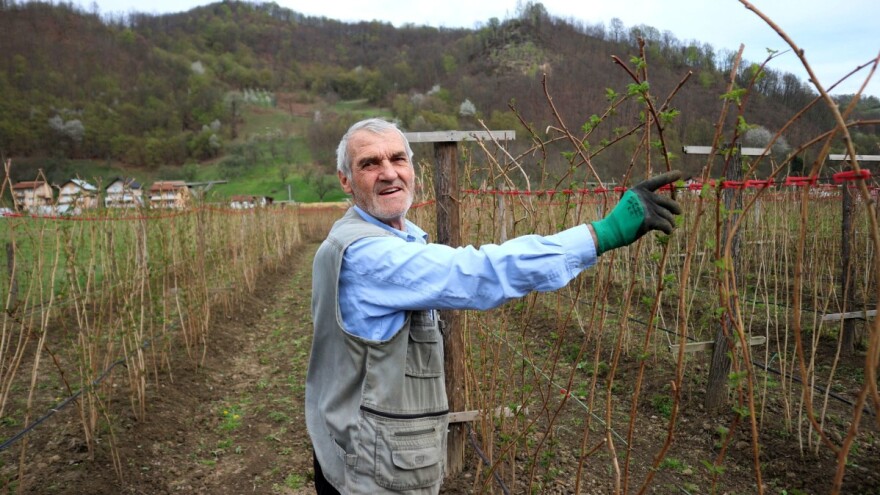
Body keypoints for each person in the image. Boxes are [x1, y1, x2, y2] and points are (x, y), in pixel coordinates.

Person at [305, 118, 682, 495]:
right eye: (369, 164)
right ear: (345, 180)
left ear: (412, 169)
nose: (389, 173)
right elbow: (477, 273)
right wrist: (603, 233)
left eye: (398, 159)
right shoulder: (368, 255)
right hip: (369, 474)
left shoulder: (388, 238)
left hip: (354, 454)